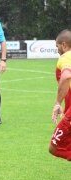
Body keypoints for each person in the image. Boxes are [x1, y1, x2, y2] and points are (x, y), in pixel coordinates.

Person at [49, 29, 71, 161]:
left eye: (57, 46)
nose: (57, 50)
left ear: (64, 45)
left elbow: (66, 75)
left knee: (54, 148)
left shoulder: (65, 57)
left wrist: (57, 103)